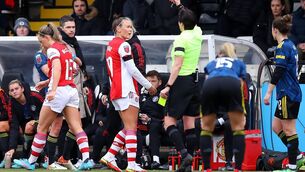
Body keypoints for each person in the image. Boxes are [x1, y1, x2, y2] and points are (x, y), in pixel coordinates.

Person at [13, 23, 93, 170]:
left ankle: (30, 162)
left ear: (47, 37)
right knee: (76, 127)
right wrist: (46, 82)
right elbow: (73, 68)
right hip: (71, 90)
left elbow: (57, 68)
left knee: (42, 128)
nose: (40, 43)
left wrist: (53, 89)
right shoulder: (64, 48)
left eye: (40, 39)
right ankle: (87, 159)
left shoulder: (52, 50)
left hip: (60, 91)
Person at [100, 17, 157, 172]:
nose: (130, 29)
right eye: (127, 26)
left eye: (131, 27)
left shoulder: (111, 44)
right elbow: (132, 69)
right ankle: (132, 164)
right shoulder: (124, 45)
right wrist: (148, 85)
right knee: (132, 127)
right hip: (127, 90)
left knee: (127, 127)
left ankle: (110, 155)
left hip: (116, 91)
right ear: (118, 28)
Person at [159, 0, 202, 171]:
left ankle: (184, 154)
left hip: (181, 81)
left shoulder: (180, 40)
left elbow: (177, 65)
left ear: (180, 24)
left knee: (168, 121)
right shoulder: (197, 33)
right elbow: (191, 19)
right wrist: (179, 5)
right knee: (189, 123)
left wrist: (168, 86)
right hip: (194, 82)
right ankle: (189, 164)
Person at [264, 15, 304, 172]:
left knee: (289, 130)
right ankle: (298, 156)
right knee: (276, 126)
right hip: (287, 93)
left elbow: (279, 70)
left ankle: (293, 166)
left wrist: (268, 93)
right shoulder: (291, 45)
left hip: (289, 93)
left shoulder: (283, 47)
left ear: (275, 30)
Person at [200, 43, 246, 172]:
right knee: (237, 128)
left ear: (219, 53)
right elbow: (241, 85)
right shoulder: (238, 63)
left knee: (206, 128)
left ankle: (207, 169)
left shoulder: (213, 63)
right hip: (232, 83)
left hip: (210, 84)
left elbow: (208, 76)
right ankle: (237, 168)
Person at [33, 45, 67, 170]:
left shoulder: (59, 52)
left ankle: (50, 159)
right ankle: (35, 160)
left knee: (57, 128)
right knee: (45, 127)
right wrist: (65, 64)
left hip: (62, 93)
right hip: (49, 94)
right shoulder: (39, 56)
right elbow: (49, 72)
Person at [5, 80, 43, 163]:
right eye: (12, 90)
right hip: (25, 127)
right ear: (10, 93)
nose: (14, 91)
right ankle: (24, 158)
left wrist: (37, 120)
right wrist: (12, 148)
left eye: (16, 88)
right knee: (25, 128)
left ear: (22, 89)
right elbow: (14, 126)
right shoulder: (11, 104)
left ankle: (46, 158)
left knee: (29, 126)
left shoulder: (35, 96)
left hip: (43, 122)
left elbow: (47, 111)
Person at [139, 70, 167, 169]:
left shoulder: (162, 95)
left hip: (157, 125)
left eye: (153, 81)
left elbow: (162, 113)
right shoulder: (141, 95)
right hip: (141, 125)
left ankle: (156, 160)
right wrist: (140, 115)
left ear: (159, 82)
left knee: (155, 125)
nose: (150, 84)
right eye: (148, 81)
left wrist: (150, 119)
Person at [0, 88, 9, 167]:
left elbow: (6, 113)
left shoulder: (0, 93)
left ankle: (5, 157)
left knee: (1, 126)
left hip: (6, 122)